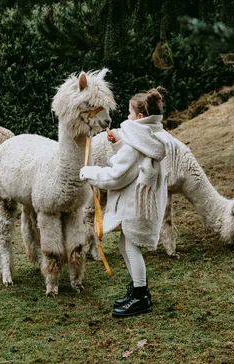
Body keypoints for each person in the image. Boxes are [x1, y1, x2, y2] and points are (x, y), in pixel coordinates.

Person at [80, 87, 174, 318]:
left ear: (140, 118)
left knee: (130, 247)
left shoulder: (136, 144)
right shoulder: (151, 136)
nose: (127, 117)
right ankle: (137, 289)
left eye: (130, 114)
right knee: (125, 246)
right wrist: (118, 145)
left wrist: (88, 172)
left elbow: (117, 175)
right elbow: (134, 162)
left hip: (135, 205)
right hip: (143, 203)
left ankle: (141, 295)